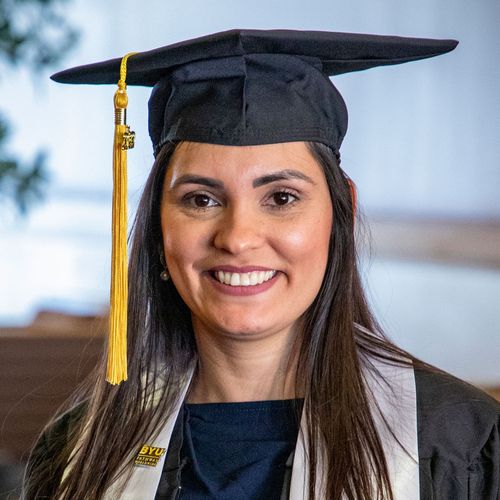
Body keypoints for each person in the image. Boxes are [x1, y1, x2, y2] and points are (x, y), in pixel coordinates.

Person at [23, 29, 499, 500]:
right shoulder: (80, 448)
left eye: (282, 197)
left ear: (342, 213)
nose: (237, 238)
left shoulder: (454, 443)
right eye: (201, 198)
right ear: (157, 225)